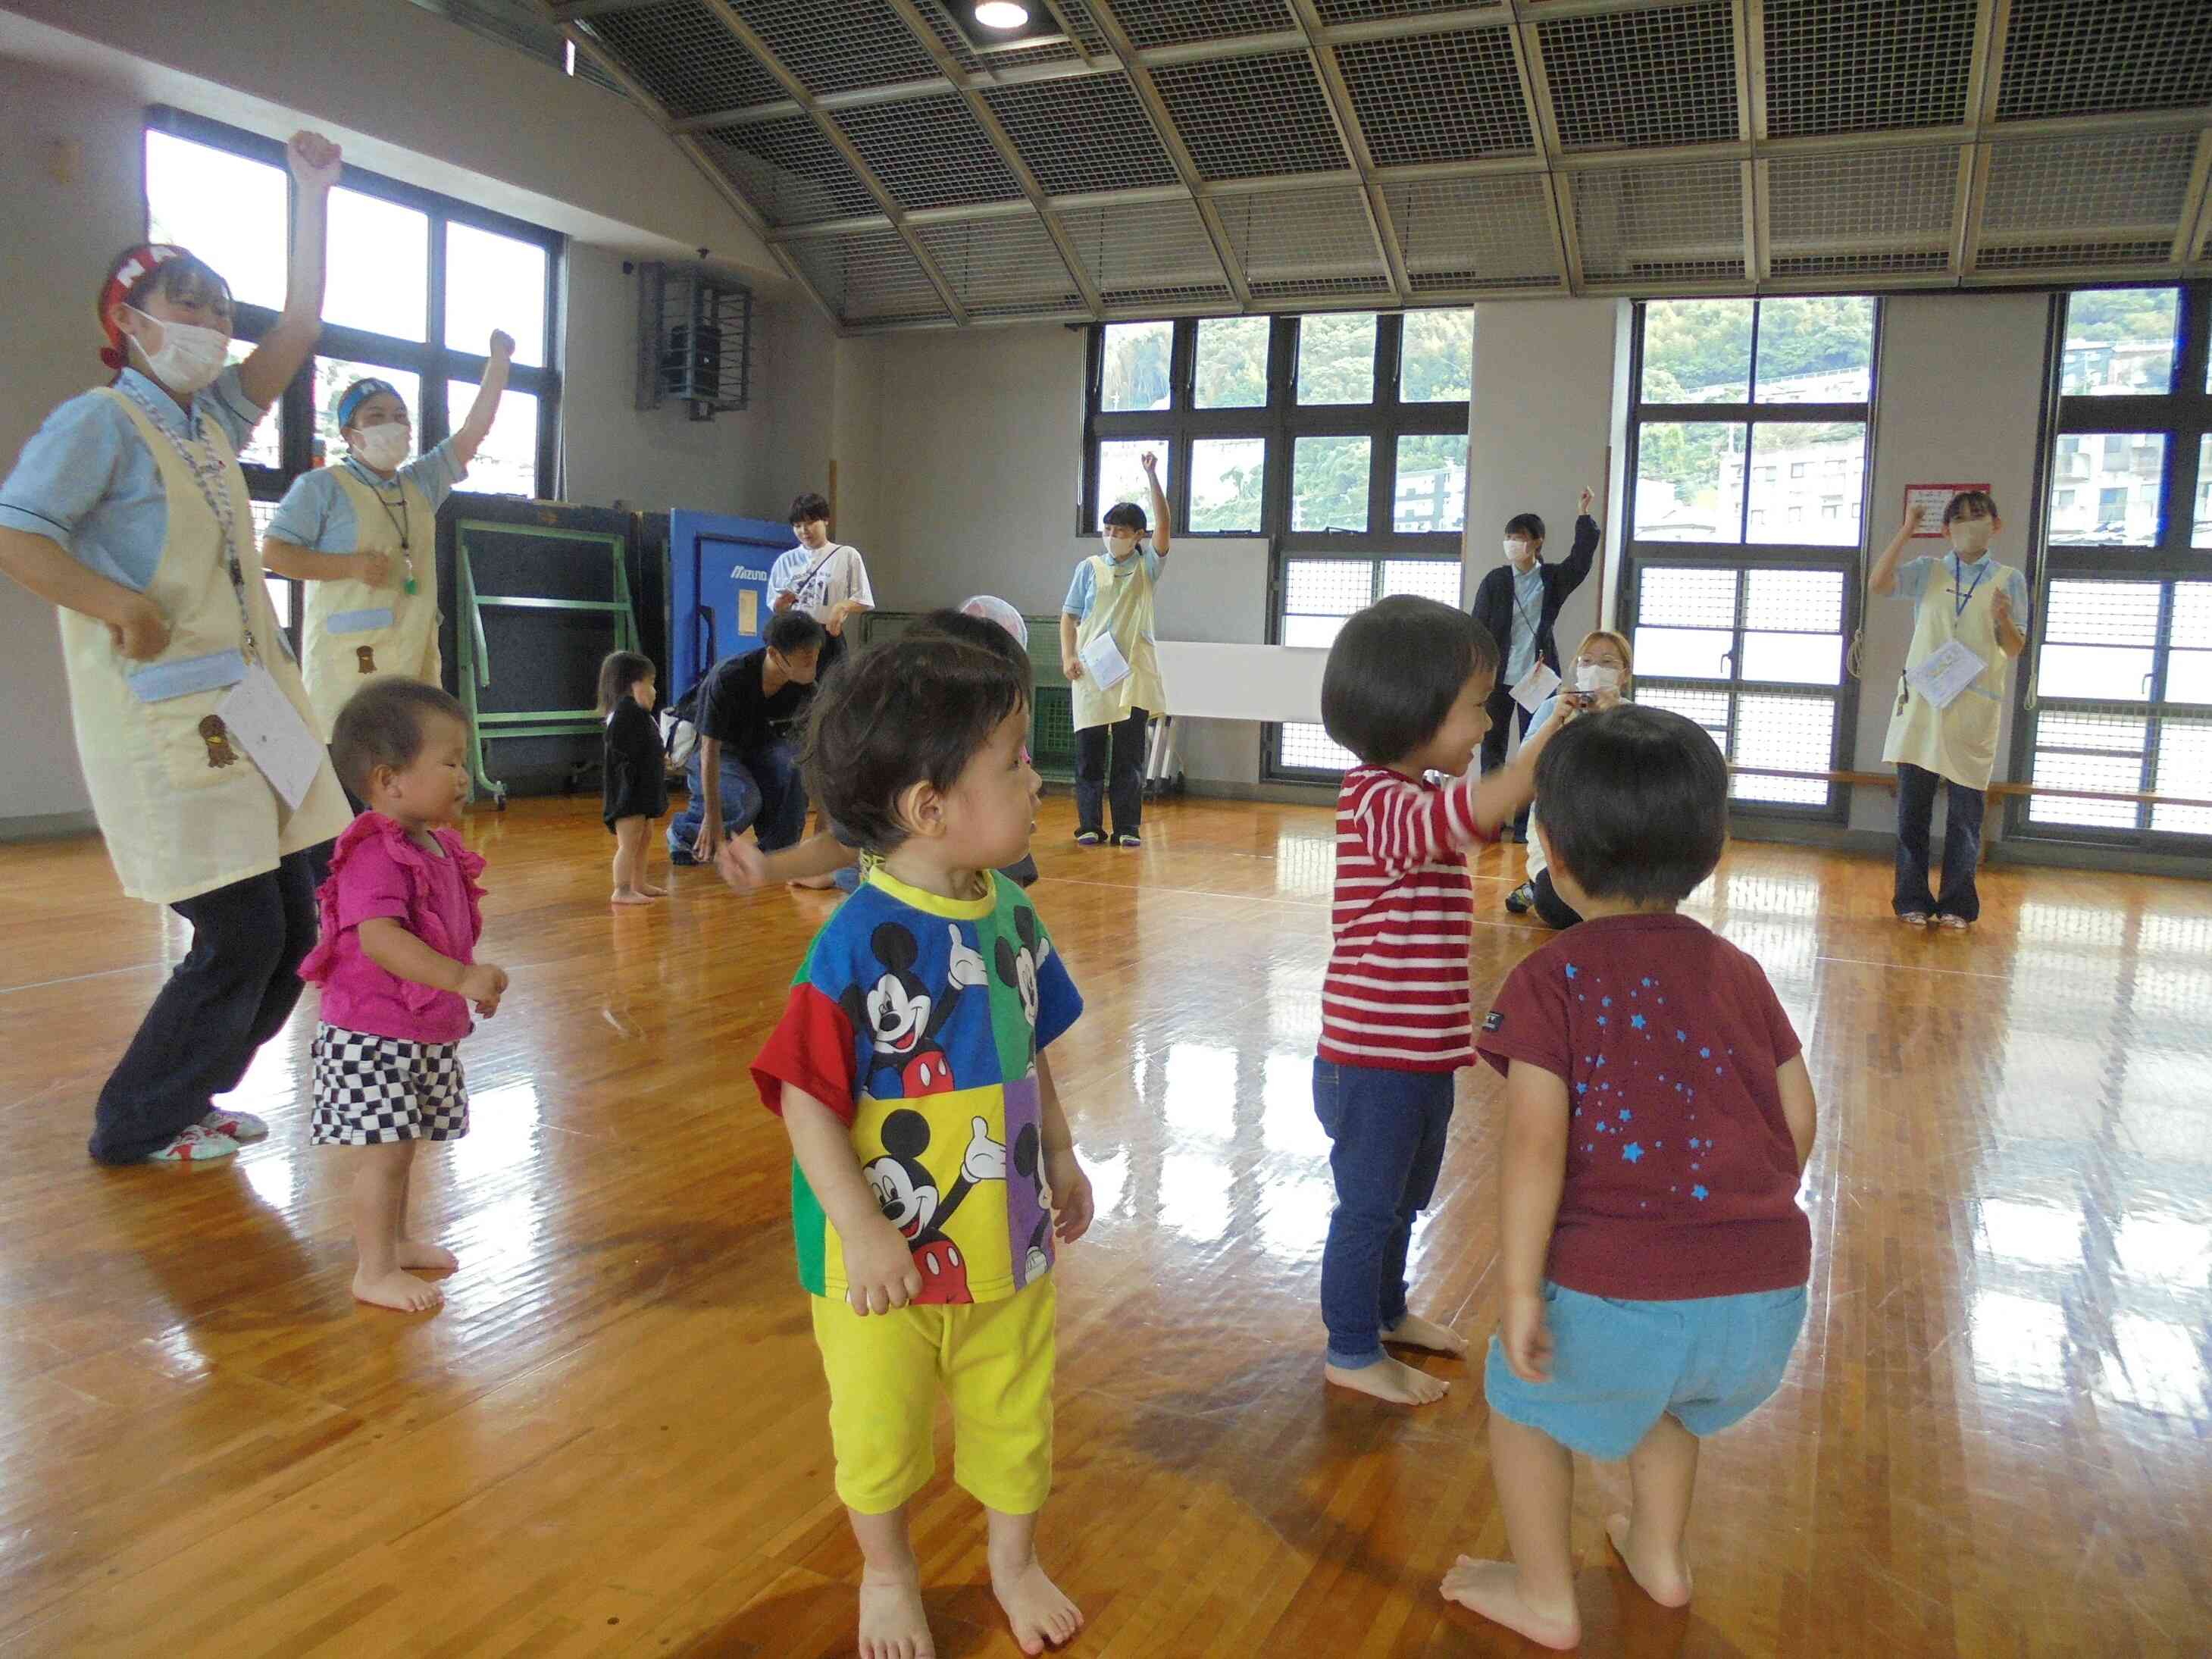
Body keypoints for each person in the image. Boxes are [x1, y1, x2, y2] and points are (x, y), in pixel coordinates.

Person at [0, 133, 355, 1166]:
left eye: (216, 308)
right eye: (187, 303)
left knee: (301, 920)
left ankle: (189, 1095)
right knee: (242, 929)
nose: (209, 324)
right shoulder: (101, 422)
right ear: (129, 320)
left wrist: (311, 195)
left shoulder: (204, 427)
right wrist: (115, 603)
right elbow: (18, 532)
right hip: (172, 714)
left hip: (254, 705)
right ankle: (137, 1120)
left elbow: (300, 327)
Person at [750, 629, 1094, 1659]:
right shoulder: (853, 939)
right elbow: (803, 1097)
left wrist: (1063, 1156)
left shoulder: (1013, 914)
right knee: (879, 1431)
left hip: (1005, 1238)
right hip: (879, 1267)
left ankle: (1012, 1560)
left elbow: (1026, 1050)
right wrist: (859, 1229)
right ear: (927, 807)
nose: (1038, 779)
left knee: (1014, 1414)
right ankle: (887, 1571)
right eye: (1014, 761)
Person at [1445, 703, 1816, 1649]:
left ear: (1553, 853)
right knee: (1668, 1402)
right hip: (1763, 1300)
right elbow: (1799, 1114)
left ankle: (1545, 1596)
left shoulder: (1550, 979)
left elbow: (1534, 1149)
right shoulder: (1738, 969)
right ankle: (1660, 1555)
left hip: (1615, 1296)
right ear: (1713, 846)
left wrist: (1525, 1290)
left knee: (1523, 1407)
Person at [1312, 596, 1570, 1407]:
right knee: (1367, 1206)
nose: (1484, 722)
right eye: (1474, 707)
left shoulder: (1419, 791)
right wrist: (1531, 758)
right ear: (1411, 710)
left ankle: (1386, 1312)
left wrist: (1531, 756)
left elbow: (1472, 820)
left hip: (1420, 1057)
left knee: (1403, 1201)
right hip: (1371, 1061)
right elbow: (1461, 815)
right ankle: (1349, 1347)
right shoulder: (1375, 800)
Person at [299, 678, 508, 1313]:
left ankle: (396, 1240)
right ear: (389, 780)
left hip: (415, 1029)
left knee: (405, 1142)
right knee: (383, 1156)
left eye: (463, 760)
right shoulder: (374, 852)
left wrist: (468, 977)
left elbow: (444, 926)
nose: (463, 775)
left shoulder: (436, 844)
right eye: (448, 762)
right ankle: (373, 1269)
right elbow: (382, 939)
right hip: (370, 1033)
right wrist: (460, 977)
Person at [262, 335, 517, 748]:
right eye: (376, 416)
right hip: (348, 667)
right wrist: (350, 566)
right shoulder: (321, 487)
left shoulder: (420, 483)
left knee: (408, 776)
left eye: (400, 416)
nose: (392, 424)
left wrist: (499, 363)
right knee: (355, 777)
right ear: (351, 432)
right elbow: (274, 554)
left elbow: (474, 432)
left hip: (413, 655)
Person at [718, 599, 1043, 898]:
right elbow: (842, 845)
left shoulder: (989, 795)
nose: (1034, 780)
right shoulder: (890, 776)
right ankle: (835, 877)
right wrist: (769, 868)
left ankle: (836, 877)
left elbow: (1015, 928)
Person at [1871, 492, 2029, 931]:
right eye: (1958, 520)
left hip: (1972, 709)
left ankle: (1958, 904)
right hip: (1923, 705)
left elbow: (2014, 647)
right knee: (1912, 814)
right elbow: (1879, 583)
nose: (1968, 525)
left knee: (1964, 817)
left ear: (1996, 525)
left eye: (1977, 517)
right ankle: (1911, 900)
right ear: (1945, 531)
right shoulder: (1929, 571)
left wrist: (2001, 617)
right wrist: (1906, 531)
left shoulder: (2009, 579)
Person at [1470, 489, 1600, 840]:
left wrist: (1583, 514)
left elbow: (1581, 559)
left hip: (1537, 679)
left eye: (1520, 538)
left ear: (1537, 543)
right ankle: (1491, 822)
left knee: (1534, 751)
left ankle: (1525, 825)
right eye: (1509, 538)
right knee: (1492, 750)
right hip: (1496, 679)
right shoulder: (1495, 581)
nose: (1512, 544)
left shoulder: (1552, 579)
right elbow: (1477, 627)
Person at [1062, 451, 1171, 848]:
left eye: (1121, 530)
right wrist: (1068, 656)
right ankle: (1088, 824)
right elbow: (1069, 616)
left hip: (1133, 672)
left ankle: (1128, 827)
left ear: (1137, 535)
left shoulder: (1147, 567)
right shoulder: (1088, 568)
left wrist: (1153, 477)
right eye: (1108, 529)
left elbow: (1164, 527)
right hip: (1093, 671)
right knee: (1089, 755)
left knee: (1128, 756)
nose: (1113, 536)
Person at [666, 610, 823, 866]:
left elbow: (816, 750)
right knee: (743, 799)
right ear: (774, 654)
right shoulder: (729, 677)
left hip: (761, 747)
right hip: (715, 750)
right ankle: (685, 834)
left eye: (815, 659)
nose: (812, 668)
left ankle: (777, 847)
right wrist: (713, 817)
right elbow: (709, 750)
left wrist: (823, 823)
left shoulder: (806, 687)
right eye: (804, 661)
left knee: (794, 766)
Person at [1506, 630, 1634, 928]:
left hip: (1613, 833)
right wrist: (1555, 722)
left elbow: (1638, 777)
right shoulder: (1553, 708)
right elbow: (1524, 771)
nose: (1594, 669)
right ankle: (1537, 887)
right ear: (1577, 667)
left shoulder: (1631, 716)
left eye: (1607, 662)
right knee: (1559, 909)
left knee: (1624, 904)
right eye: (1587, 661)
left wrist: (1613, 718)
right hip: (1556, 831)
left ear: (1624, 674)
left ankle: (1537, 887)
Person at [768, 491, 872, 680]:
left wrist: (842, 606)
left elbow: (864, 599)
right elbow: (776, 607)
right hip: (794, 638)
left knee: (831, 694)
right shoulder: (785, 561)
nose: (804, 530)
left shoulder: (847, 555)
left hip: (828, 637)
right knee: (793, 698)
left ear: (825, 520)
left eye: (809, 523)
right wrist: (781, 604)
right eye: (797, 525)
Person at [599, 650, 668, 906]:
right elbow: (623, 751)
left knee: (645, 837)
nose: (654, 691)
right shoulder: (624, 714)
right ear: (633, 685)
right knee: (629, 843)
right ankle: (622, 888)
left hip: (642, 791)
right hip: (628, 794)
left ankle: (639, 882)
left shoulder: (639, 715)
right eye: (650, 684)